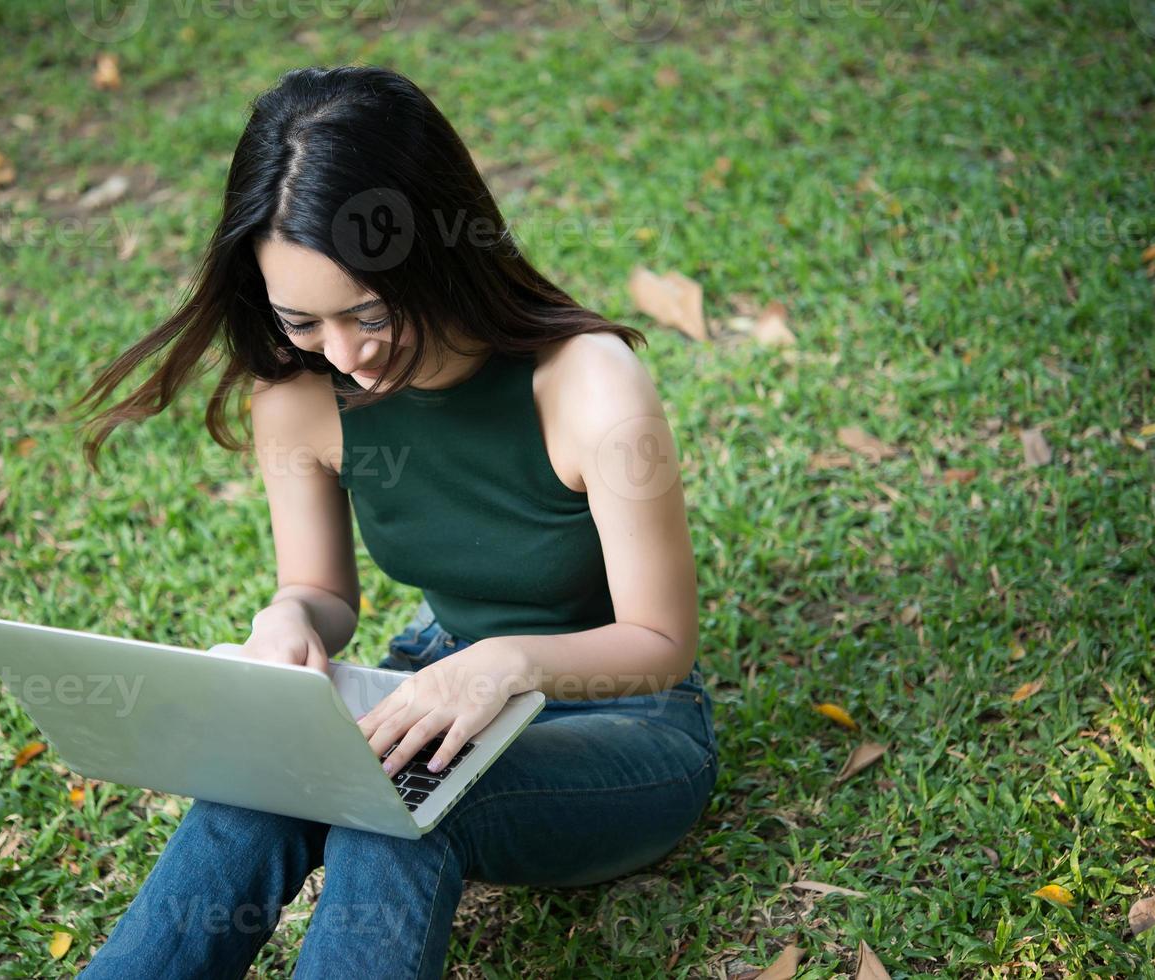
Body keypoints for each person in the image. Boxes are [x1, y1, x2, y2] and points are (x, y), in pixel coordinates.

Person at [67, 64, 719, 979]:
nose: (346, 355)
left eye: (369, 311)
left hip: (624, 722)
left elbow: (661, 641)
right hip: (427, 682)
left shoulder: (588, 383)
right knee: (255, 789)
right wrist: (289, 618)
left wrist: (507, 662)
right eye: (302, 320)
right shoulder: (297, 390)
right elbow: (321, 590)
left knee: (401, 811)